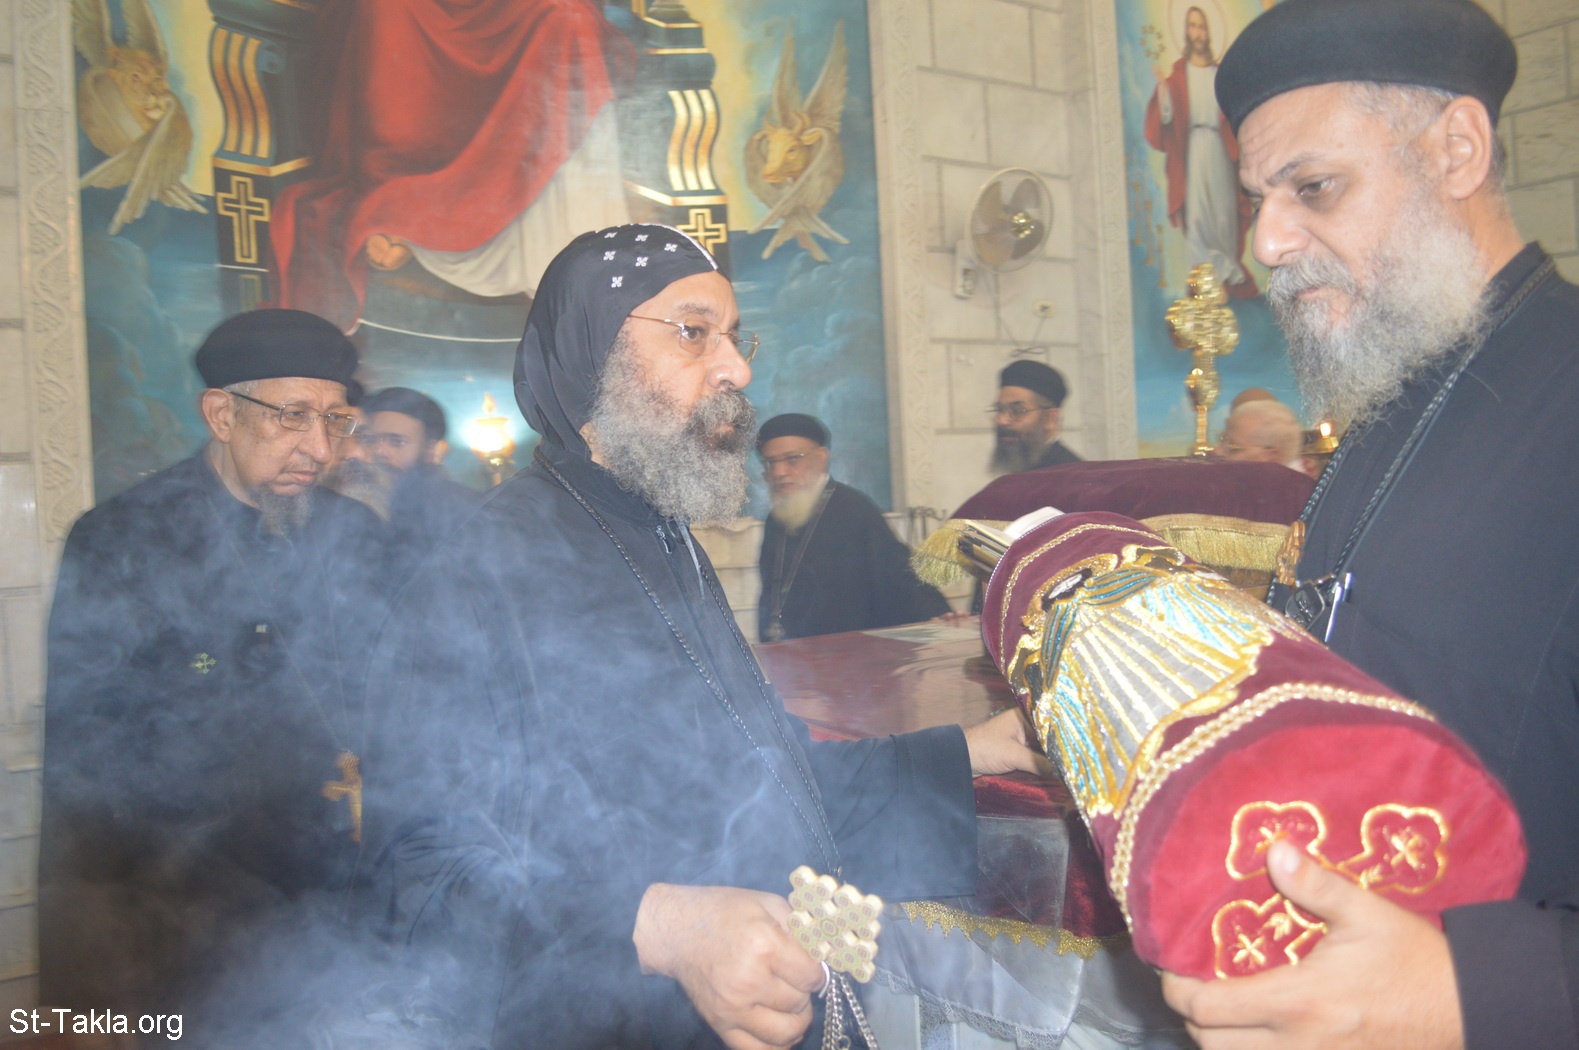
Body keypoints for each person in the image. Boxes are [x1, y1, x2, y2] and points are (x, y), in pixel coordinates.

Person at [361, 224, 1044, 1048]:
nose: (737, 370)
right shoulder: (470, 571)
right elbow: (419, 878)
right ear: (591, 356)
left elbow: (763, 780)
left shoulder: (663, 538)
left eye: (732, 336)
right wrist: (659, 926)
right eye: (693, 332)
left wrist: (972, 750)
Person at [1161, 1, 1579, 1047]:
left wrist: (1472, 991)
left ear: (1456, 151)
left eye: (1313, 188)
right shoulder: (1389, 401)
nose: (1265, 243)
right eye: (1258, 200)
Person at [37, 309, 386, 1026]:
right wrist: (84, 1001)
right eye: (292, 417)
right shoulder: (124, 539)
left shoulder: (356, 534)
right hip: (187, 918)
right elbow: (80, 771)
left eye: (335, 420)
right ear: (222, 414)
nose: (319, 449)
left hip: (339, 908)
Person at [756, 412, 949, 641]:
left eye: (792, 459)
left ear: (821, 457)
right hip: (792, 654)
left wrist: (939, 617)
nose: (779, 472)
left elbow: (898, 577)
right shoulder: (776, 520)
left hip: (849, 652)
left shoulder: (854, 510)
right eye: (771, 462)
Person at [1143, 5, 1256, 297]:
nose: (1197, 32)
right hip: (1193, 151)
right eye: (1192, 26)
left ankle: (1225, 273)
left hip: (1220, 150)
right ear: (1186, 32)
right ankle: (1204, 280)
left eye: (1201, 26)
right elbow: (1166, 119)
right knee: (1197, 216)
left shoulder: (1220, 75)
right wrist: (1164, 92)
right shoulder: (1179, 75)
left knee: (1223, 214)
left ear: (1208, 32)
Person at [353, 386, 480, 580]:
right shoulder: (351, 502)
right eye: (370, 440)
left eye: (396, 442)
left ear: (430, 451)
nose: (379, 452)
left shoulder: (463, 512)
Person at [989, 359, 1082, 474]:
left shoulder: (1075, 475)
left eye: (1017, 411)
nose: (1002, 420)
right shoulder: (1020, 466)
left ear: (1050, 419)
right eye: (999, 410)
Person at [1211, 398, 1305, 472]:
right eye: (1222, 439)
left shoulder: (1299, 489)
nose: (1217, 451)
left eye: (1233, 448)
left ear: (1271, 457)